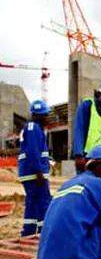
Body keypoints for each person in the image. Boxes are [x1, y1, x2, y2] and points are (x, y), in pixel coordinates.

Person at [18, 100, 52, 236]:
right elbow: (32, 152)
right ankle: (43, 231)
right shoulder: (33, 128)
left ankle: (29, 230)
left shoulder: (32, 127)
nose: (47, 117)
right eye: (44, 115)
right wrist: (38, 171)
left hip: (30, 172)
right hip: (34, 173)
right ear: (37, 115)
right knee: (42, 201)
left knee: (32, 202)